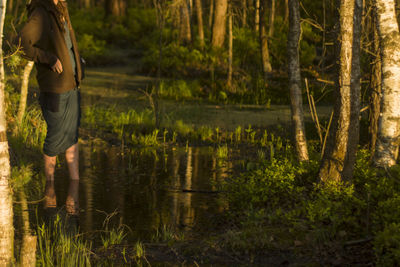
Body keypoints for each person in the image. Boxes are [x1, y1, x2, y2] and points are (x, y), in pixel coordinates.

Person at [19, 0, 83, 215]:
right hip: (54, 88)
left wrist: (77, 60)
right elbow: (22, 42)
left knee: (72, 135)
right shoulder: (41, 12)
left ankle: (74, 189)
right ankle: (50, 192)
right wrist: (48, 58)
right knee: (55, 138)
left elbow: (67, 43)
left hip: (72, 83)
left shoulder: (62, 9)